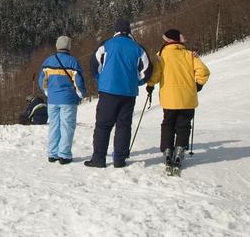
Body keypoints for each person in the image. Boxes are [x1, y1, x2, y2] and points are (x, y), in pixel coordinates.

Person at [84, 19, 153, 168]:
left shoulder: (106, 45)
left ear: (115, 30)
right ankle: (119, 160)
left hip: (108, 91)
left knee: (103, 125)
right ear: (129, 31)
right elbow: (146, 71)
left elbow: (94, 65)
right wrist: (137, 82)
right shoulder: (138, 48)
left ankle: (98, 159)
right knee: (123, 126)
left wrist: (100, 79)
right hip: (128, 93)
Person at [146, 29, 210, 169]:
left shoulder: (161, 55)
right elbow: (203, 72)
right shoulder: (190, 55)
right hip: (187, 98)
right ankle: (180, 150)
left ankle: (168, 150)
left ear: (168, 40)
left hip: (169, 99)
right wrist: (197, 85)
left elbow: (155, 75)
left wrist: (150, 86)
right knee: (184, 125)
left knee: (168, 124)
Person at [38, 35, 87, 164]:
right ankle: (64, 155)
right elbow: (79, 83)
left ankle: (52, 153)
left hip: (53, 99)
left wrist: (48, 92)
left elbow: (42, 81)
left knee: (54, 126)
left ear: (57, 46)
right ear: (69, 46)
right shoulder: (73, 62)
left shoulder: (48, 61)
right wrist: (81, 95)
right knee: (67, 127)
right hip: (68, 100)